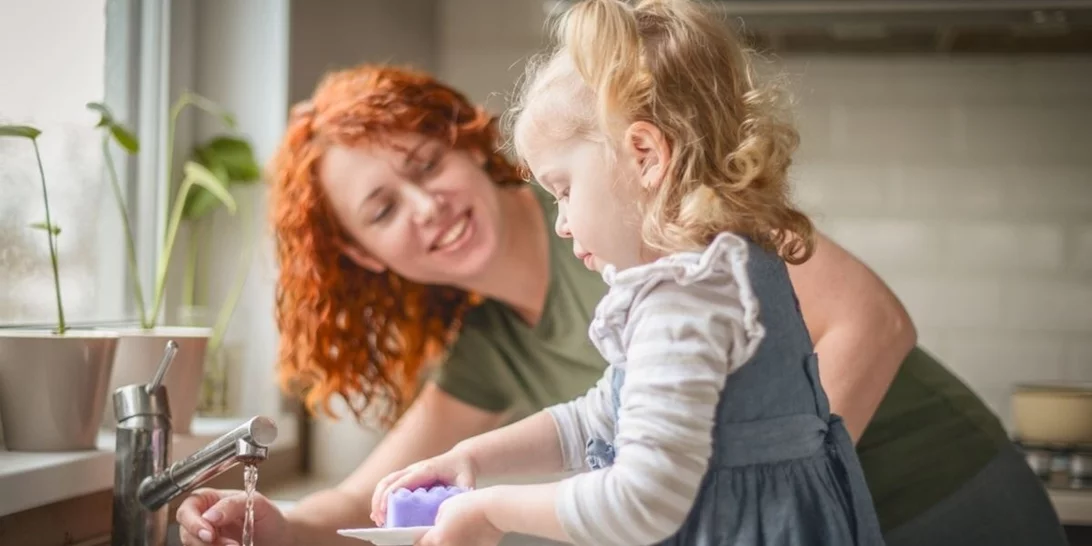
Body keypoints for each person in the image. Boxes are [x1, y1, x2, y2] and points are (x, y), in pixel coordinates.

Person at [175, 8, 1067, 546]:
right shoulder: (495, 340)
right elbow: (381, 494)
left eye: (424, 163)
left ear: (464, 142)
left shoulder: (661, 237)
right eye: (381, 210)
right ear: (366, 257)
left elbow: (871, 323)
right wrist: (277, 527)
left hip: (948, 495)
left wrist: (760, 499)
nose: (425, 207)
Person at [367, 0, 887, 544]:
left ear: (643, 154)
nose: (562, 223)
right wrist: (471, 457)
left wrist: (490, 512)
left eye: (564, 190)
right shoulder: (727, 265)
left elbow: (640, 502)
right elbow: (600, 416)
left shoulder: (683, 299)